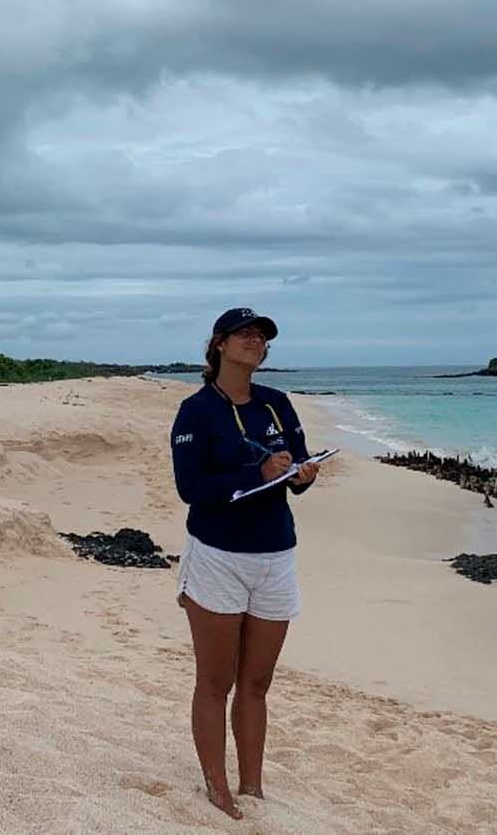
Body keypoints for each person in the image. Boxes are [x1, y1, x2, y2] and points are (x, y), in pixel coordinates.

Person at [168, 307, 322, 820]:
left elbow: (295, 464)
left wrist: (303, 476)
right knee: (216, 682)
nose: (256, 342)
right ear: (218, 345)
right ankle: (217, 786)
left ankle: (252, 784)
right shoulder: (196, 411)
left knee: (257, 682)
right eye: (245, 334)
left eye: (262, 337)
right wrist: (253, 470)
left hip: (276, 554)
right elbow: (191, 489)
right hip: (217, 556)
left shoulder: (277, 403)